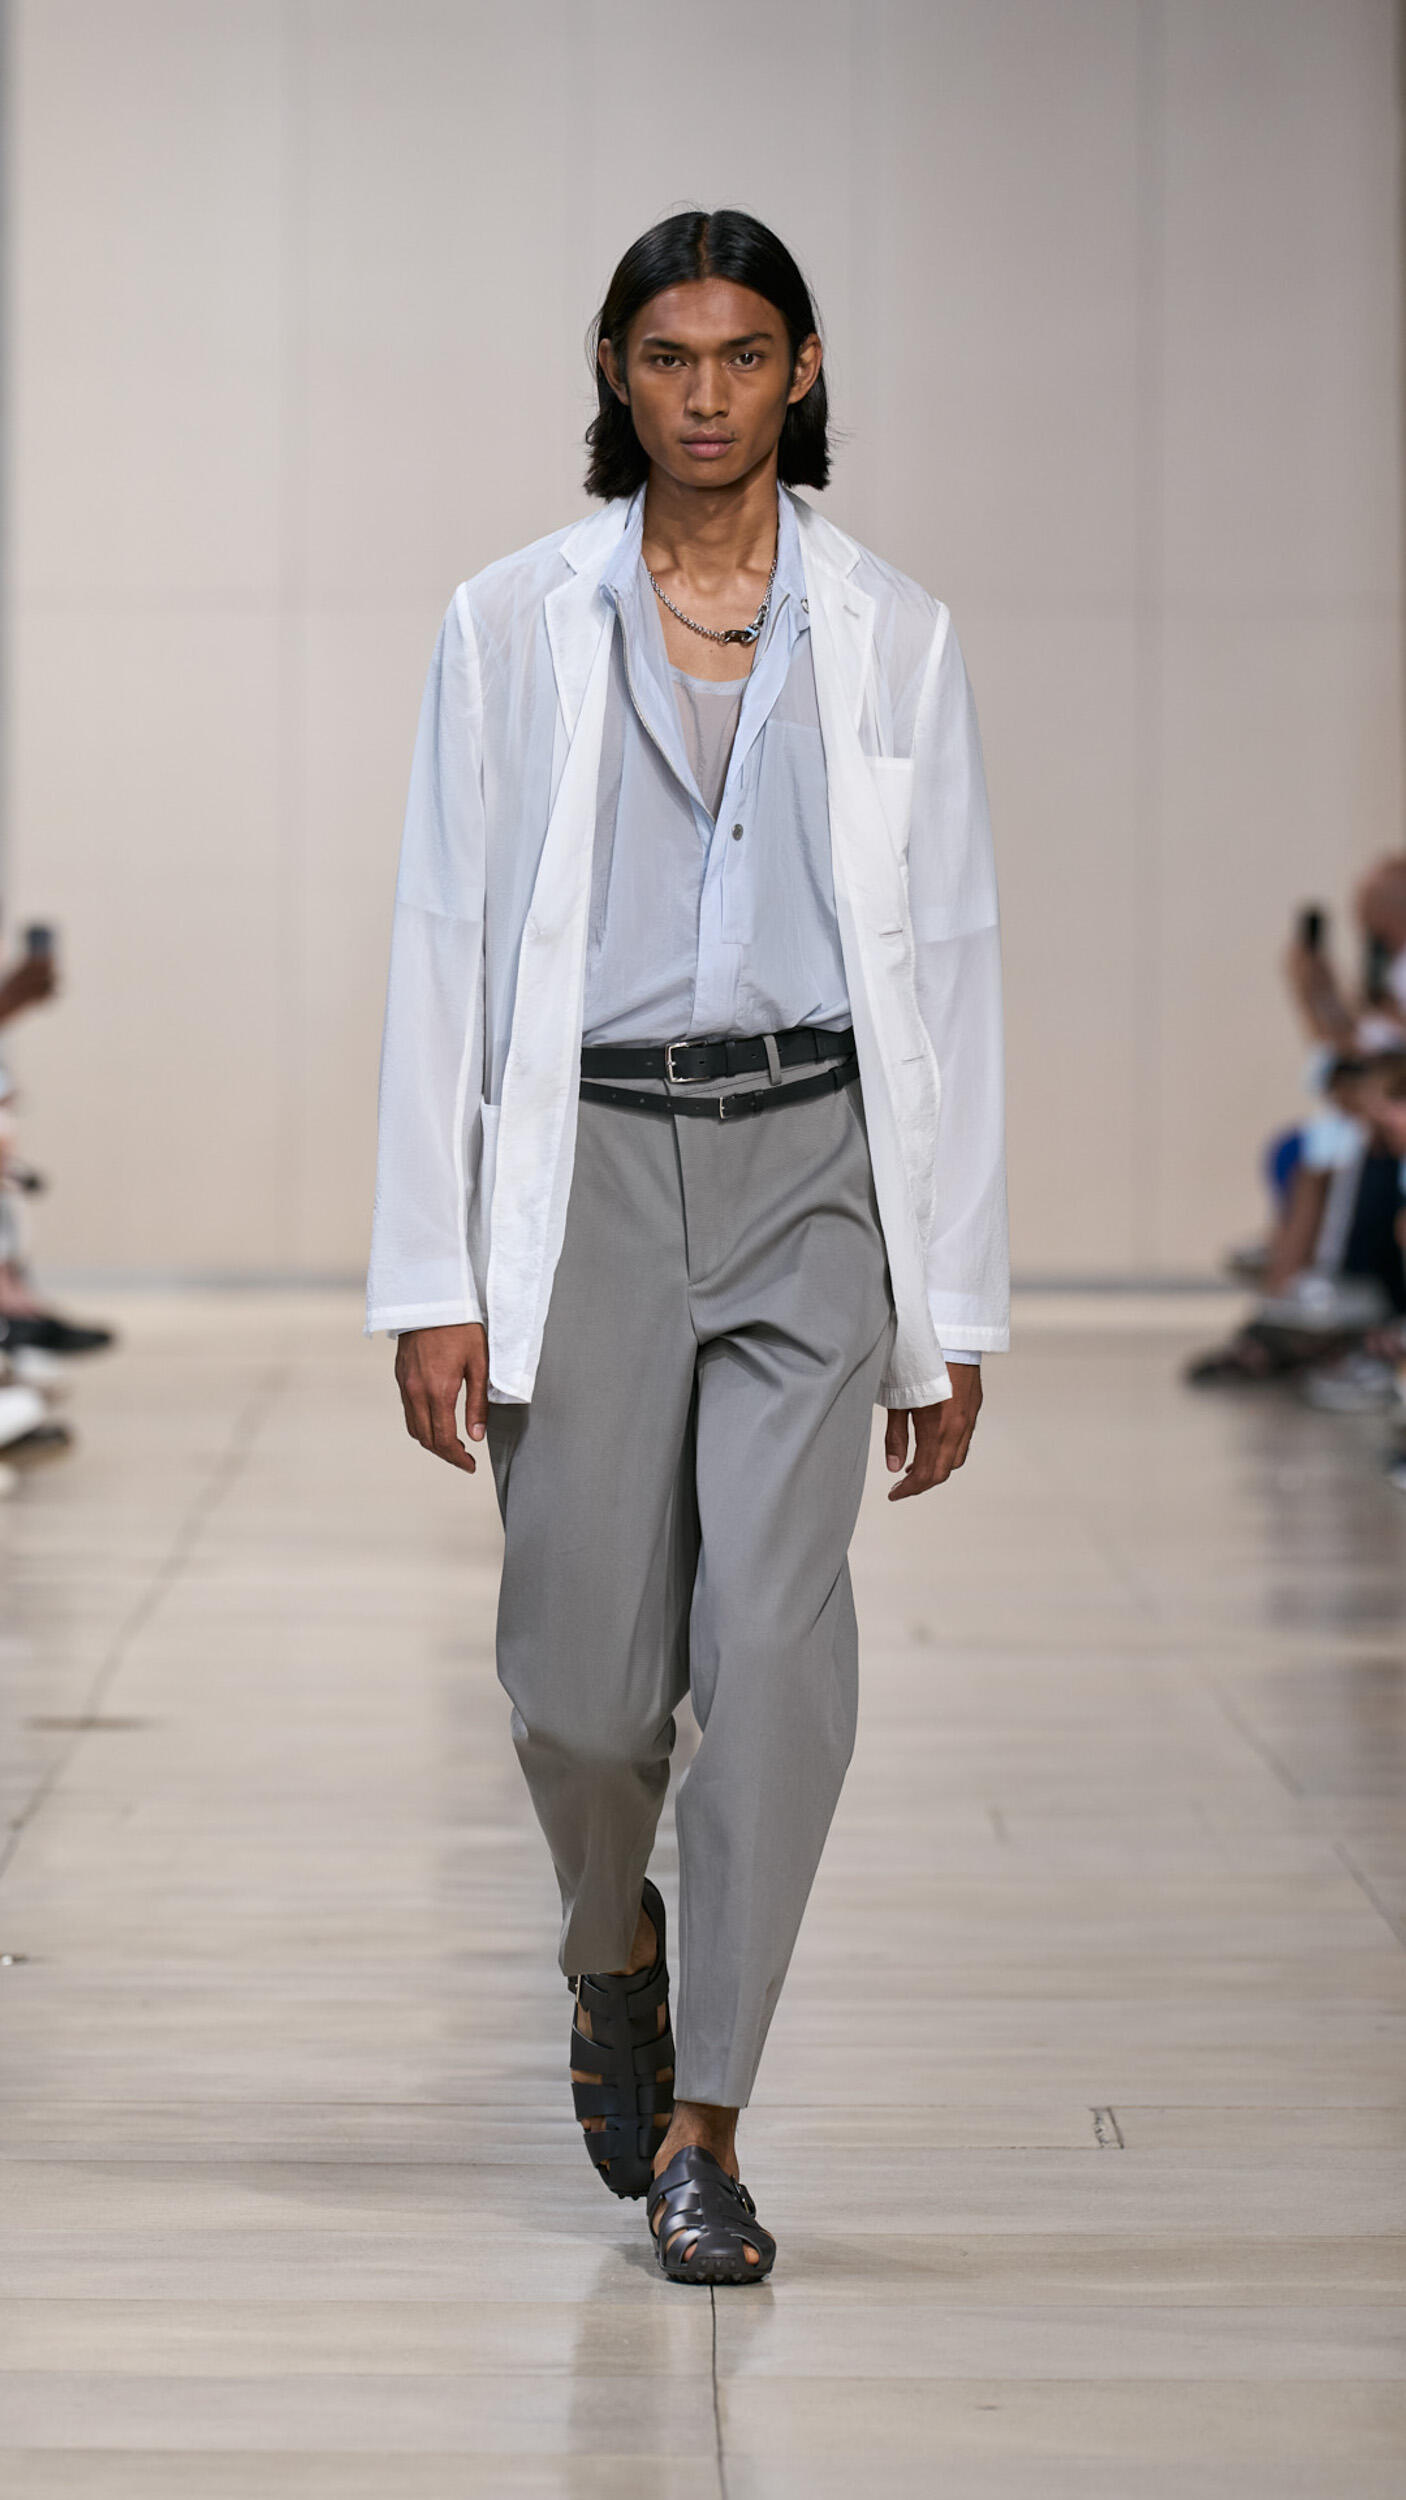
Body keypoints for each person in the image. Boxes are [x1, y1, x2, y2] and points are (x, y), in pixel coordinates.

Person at [367, 209, 1008, 2285]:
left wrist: (954, 1302)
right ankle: (608, 1944)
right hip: (590, 1179)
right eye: (667, 357)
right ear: (615, 374)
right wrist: (431, 1274)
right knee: (579, 1694)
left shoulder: (893, 631)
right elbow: (443, 940)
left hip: (813, 1170)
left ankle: (707, 2121)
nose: (706, 394)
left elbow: (951, 962)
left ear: (801, 371)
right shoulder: (510, 621)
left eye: (743, 355)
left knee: (777, 1649)